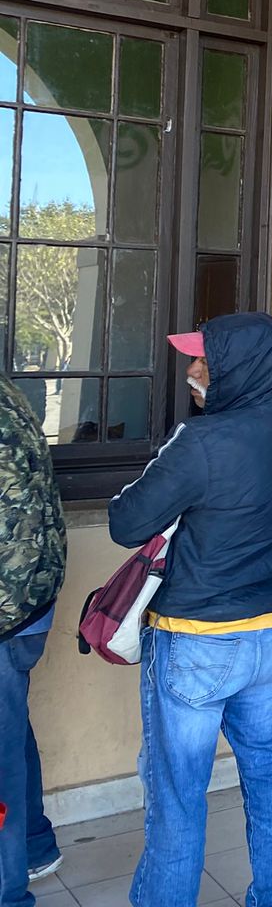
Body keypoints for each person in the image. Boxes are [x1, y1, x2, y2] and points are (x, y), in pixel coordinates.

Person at [109, 314, 272, 903]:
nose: (193, 371)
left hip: (196, 642)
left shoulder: (200, 441)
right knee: (269, 771)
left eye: (206, 361)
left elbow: (126, 522)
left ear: (238, 367)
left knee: (177, 793)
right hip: (270, 637)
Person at [0, 375, 66, 907]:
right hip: (29, 605)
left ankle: (8, 891)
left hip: (6, 608)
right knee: (9, 729)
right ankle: (35, 844)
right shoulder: (9, 394)